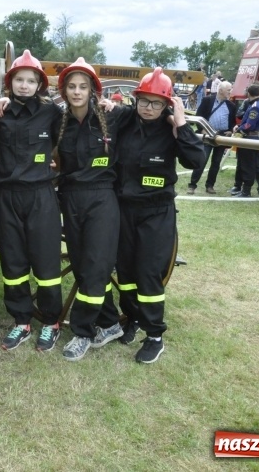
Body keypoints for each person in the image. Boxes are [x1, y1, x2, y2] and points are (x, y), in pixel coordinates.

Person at [113, 68, 205, 363]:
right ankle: (132, 318)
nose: (148, 108)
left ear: (167, 104)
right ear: (135, 100)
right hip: (124, 209)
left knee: (148, 272)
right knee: (125, 271)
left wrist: (181, 123)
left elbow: (195, 160)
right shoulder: (126, 123)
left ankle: (154, 335)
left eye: (156, 103)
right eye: (144, 101)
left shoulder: (172, 129)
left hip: (156, 212)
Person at [0, 50, 63, 352]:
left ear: (39, 85)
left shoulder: (52, 113)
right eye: (19, 79)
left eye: (30, 80)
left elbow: (71, 132)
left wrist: (106, 103)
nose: (24, 85)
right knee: (13, 261)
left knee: (46, 263)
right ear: (10, 83)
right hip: (7, 195)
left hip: (40, 196)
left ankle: (51, 322)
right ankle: (21, 320)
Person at [52, 58, 121, 361]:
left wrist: (177, 114)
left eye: (83, 87)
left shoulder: (113, 118)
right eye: (72, 86)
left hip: (102, 198)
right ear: (64, 90)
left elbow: (152, 111)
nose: (77, 92)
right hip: (71, 197)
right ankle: (109, 322)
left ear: (93, 90)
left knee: (95, 264)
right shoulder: (58, 122)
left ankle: (83, 332)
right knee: (81, 265)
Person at [187, 81, 235, 194]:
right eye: (228, 90)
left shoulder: (231, 105)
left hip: (222, 136)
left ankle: (210, 186)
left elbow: (232, 122)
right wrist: (203, 129)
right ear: (221, 90)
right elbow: (198, 117)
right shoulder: (207, 100)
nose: (230, 92)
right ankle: (192, 185)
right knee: (202, 160)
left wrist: (230, 131)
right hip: (207, 134)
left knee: (216, 163)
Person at [231, 85, 259, 198]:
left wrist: (238, 128)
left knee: (247, 165)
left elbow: (249, 125)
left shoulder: (255, 106)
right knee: (245, 164)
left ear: (248, 94)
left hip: (249, 138)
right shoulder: (257, 104)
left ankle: (246, 191)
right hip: (251, 137)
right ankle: (243, 189)